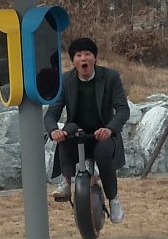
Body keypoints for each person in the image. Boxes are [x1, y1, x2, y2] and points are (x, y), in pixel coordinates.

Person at [44, 37, 131, 223]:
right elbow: (51, 114)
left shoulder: (110, 77)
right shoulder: (65, 80)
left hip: (103, 133)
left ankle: (114, 200)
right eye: (79, 55)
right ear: (73, 61)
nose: (83, 58)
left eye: (87, 54)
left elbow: (123, 110)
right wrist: (53, 131)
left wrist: (110, 129)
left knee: (103, 153)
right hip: (78, 132)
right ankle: (66, 183)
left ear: (95, 58)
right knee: (66, 134)